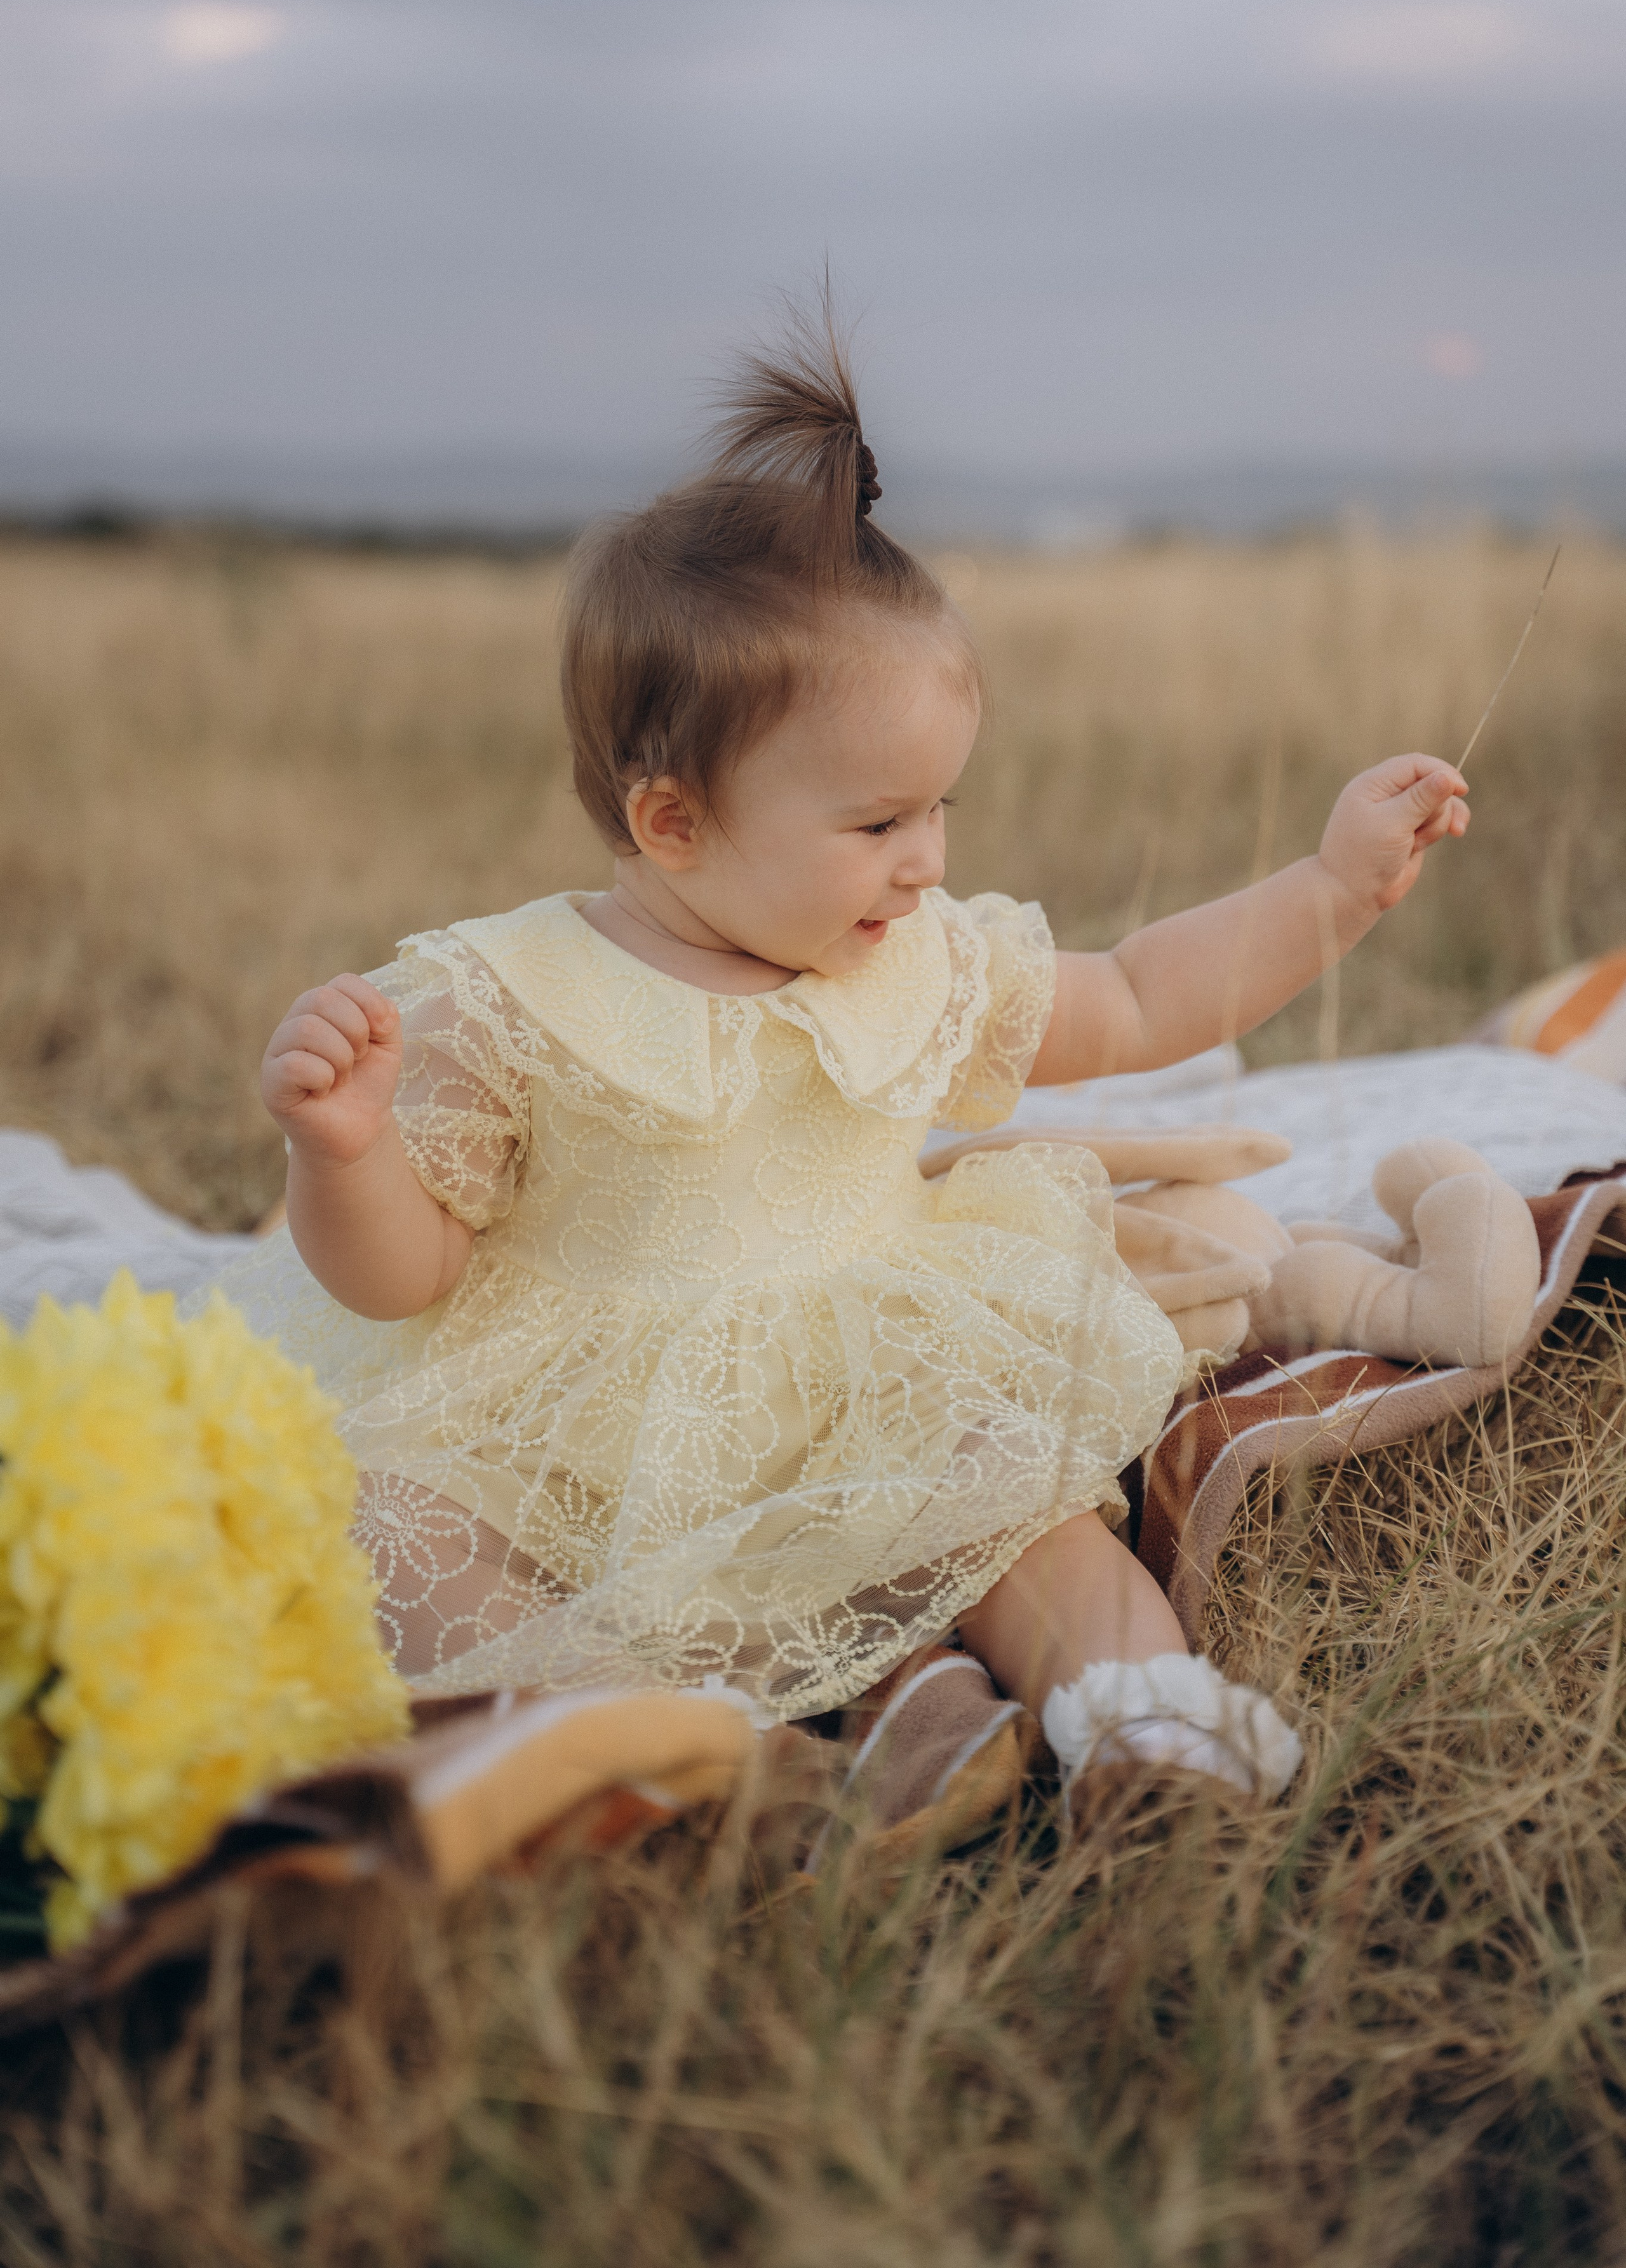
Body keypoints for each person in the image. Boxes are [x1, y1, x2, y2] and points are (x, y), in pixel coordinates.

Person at [239, 316, 1468, 1813]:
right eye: (878, 824)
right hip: (579, 1417)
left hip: (862, 1370)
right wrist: (343, 1149)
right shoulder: (512, 995)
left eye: (939, 807)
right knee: (400, 1528)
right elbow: (404, 1279)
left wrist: (1326, 890)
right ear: (673, 821)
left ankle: (1142, 1719)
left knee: (1014, 1508)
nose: (927, 860)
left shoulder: (916, 962)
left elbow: (1140, 996)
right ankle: (615, 1748)